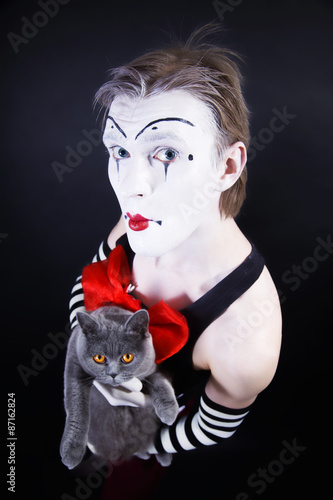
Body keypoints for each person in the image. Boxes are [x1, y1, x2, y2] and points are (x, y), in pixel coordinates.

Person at [68, 26, 282, 497]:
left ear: (227, 167)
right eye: (120, 151)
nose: (131, 185)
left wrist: (140, 445)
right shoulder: (138, 221)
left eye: (165, 153)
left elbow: (212, 426)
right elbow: (92, 276)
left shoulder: (246, 337)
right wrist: (83, 352)